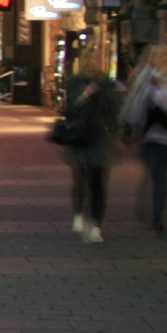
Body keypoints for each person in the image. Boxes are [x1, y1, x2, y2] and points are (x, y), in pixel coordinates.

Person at [122, 44, 167, 232]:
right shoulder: (145, 79)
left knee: (160, 175)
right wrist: (129, 128)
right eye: (158, 56)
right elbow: (134, 104)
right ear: (152, 59)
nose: (162, 59)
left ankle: (157, 216)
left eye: (165, 56)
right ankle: (148, 201)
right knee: (154, 173)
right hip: (148, 136)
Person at [61, 58, 119, 243]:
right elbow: (69, 109)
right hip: (80, 137)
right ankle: (78, 213)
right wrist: (85, 94)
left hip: (100, 138)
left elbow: (113, 112)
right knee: (81, 179)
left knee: (98, 183)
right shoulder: (75, 82)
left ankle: (96, 225)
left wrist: (117, 136)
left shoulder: (106, 84)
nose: (92, 65)